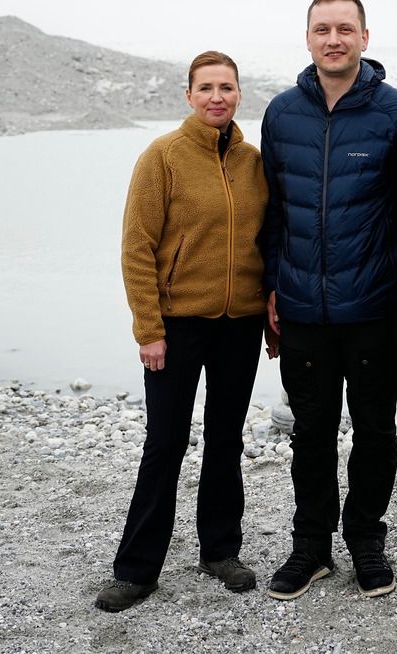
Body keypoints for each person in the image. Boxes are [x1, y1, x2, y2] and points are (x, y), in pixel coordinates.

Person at [261, 0, 397, 600]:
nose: (334, 39)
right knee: (312, 429)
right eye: (322, 29)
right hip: (301, 307)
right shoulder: (282, 113)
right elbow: (271, 213)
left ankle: (365, 540)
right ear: (308, 38)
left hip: (375, 307)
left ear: (365, 38)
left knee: (375, 430)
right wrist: (270, 288)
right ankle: (312, 547)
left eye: (345, 29)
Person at [95, 51, 269, 612]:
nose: (217, 96)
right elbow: (136, 247)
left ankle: (219, 550)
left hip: (239, 324)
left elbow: (268, 243)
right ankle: (137, 569)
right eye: (206, 88)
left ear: (239, 94)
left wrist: (270, 307)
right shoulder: (163, 156)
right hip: (177, 325)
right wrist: (148, 329)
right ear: (189, 96)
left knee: (226, 439)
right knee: (165, 442)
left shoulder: (253, 162)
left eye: (227, 87)